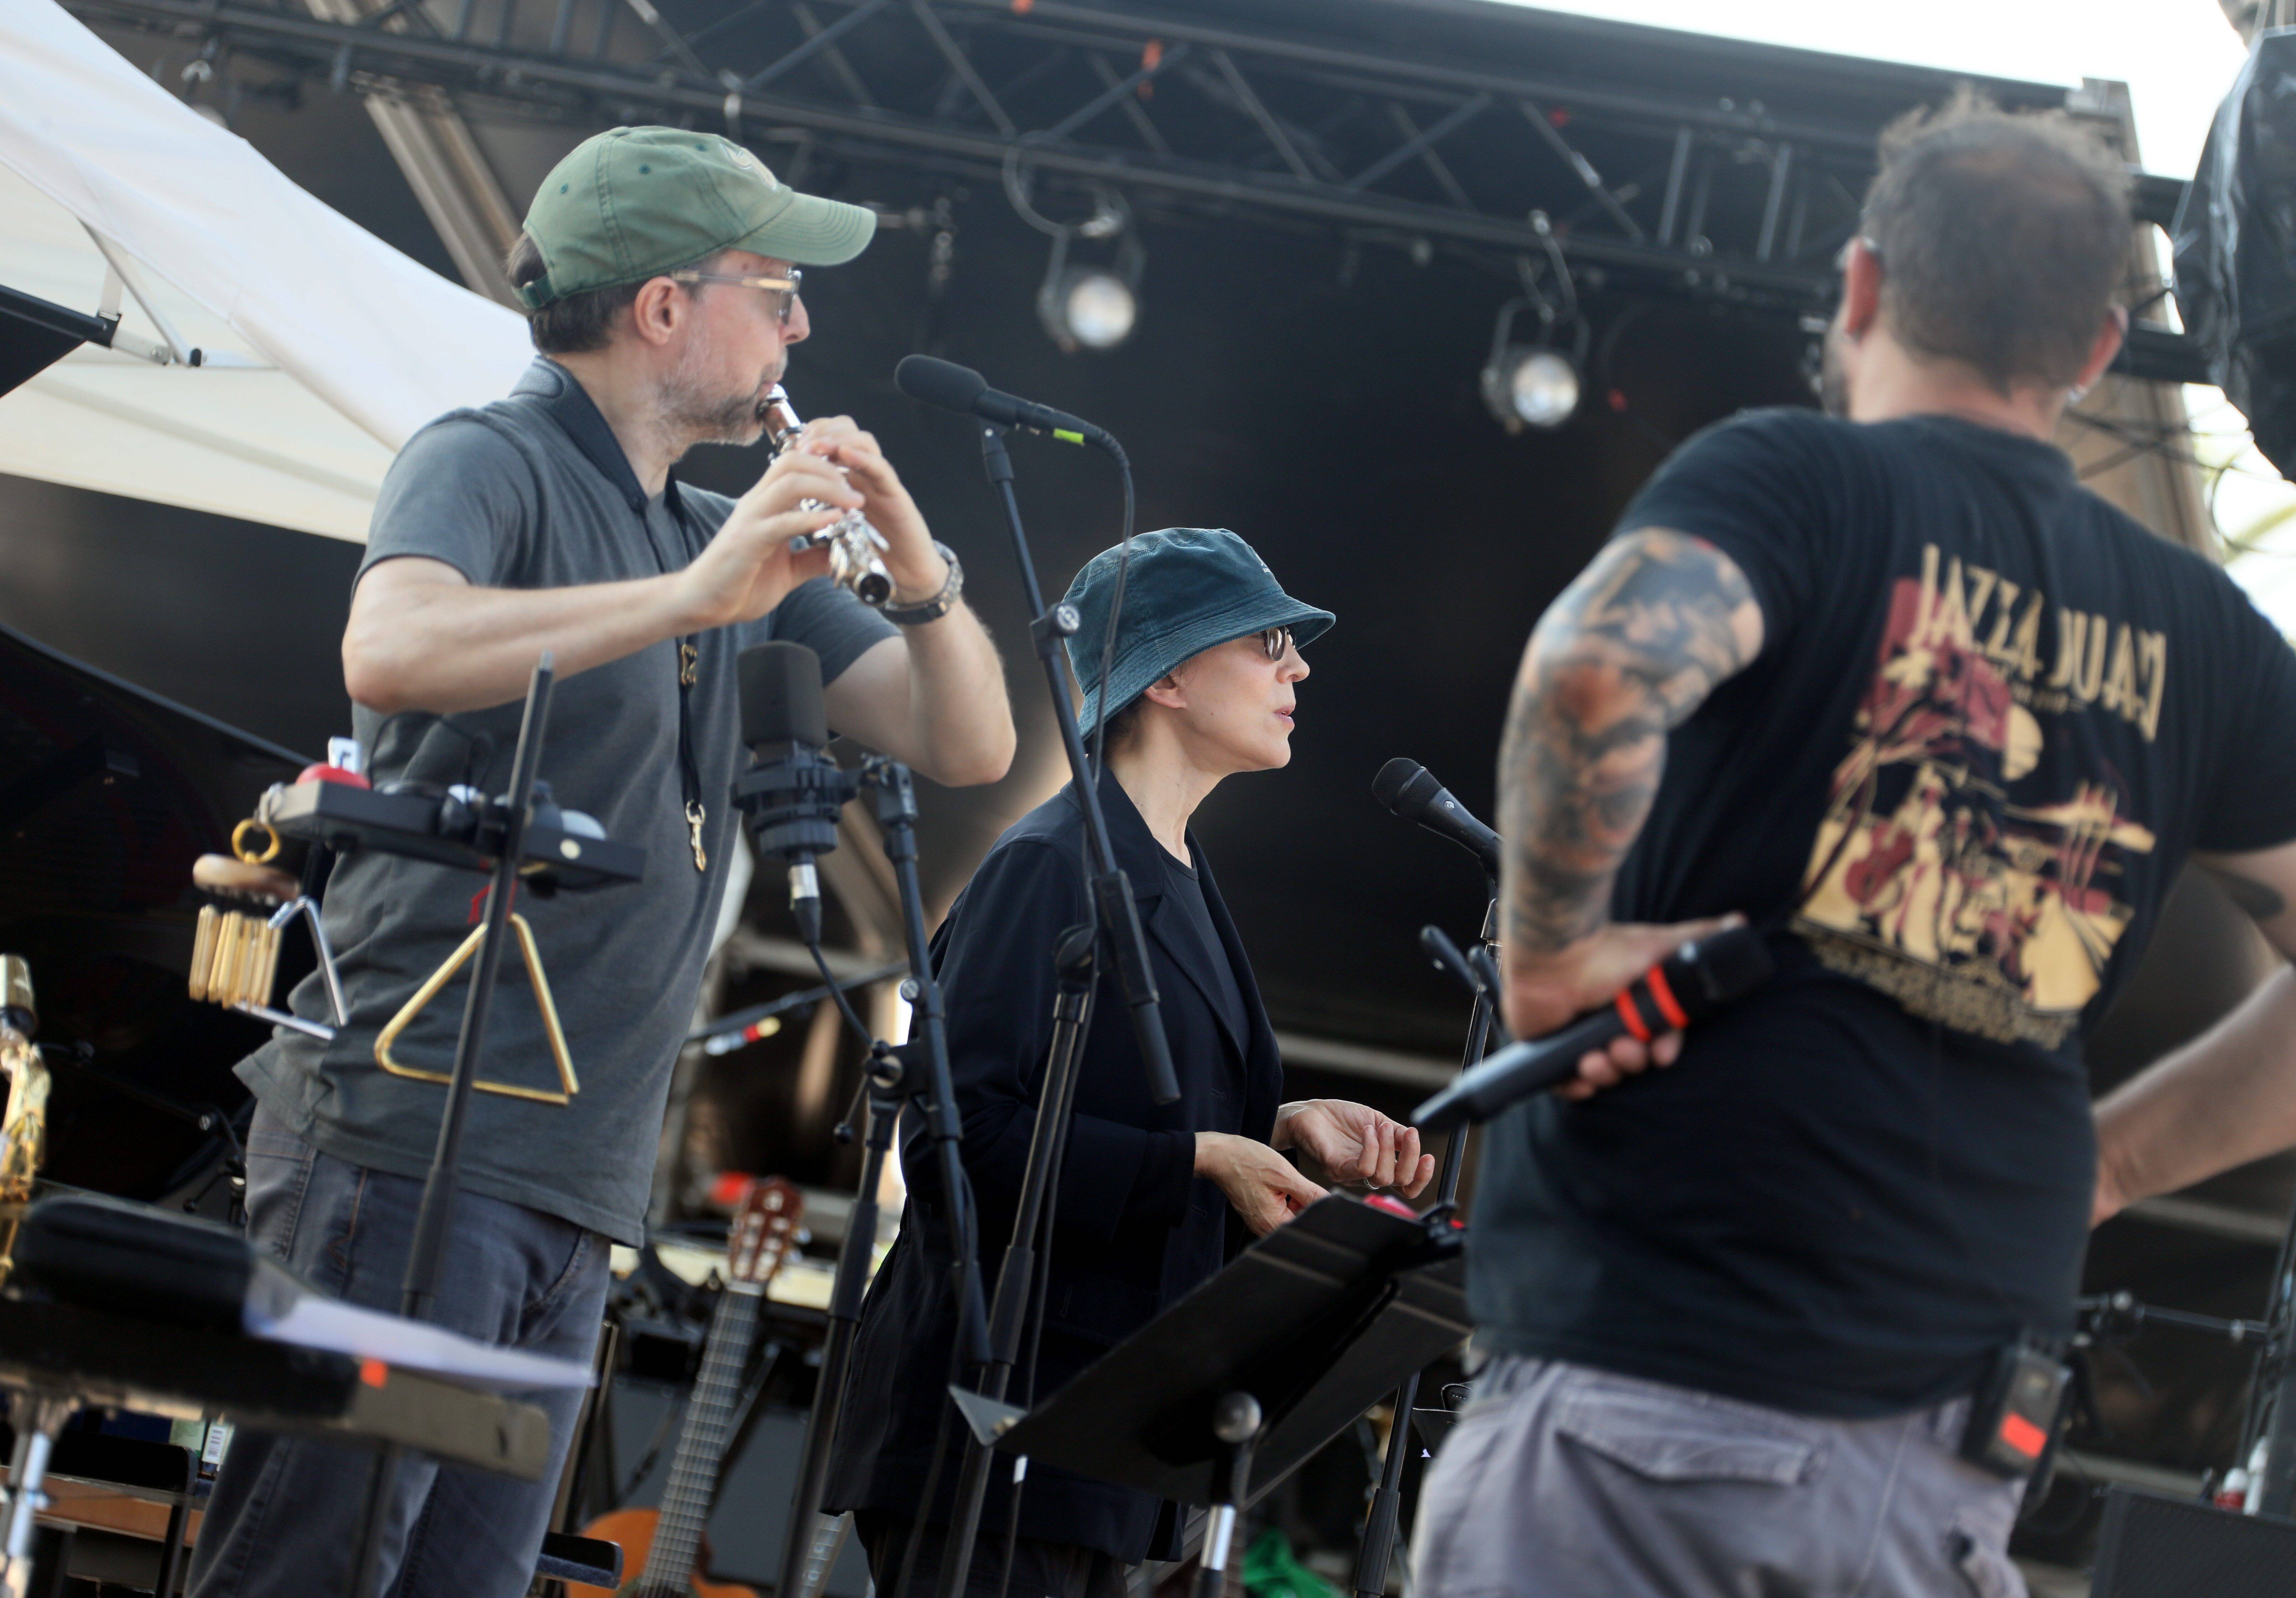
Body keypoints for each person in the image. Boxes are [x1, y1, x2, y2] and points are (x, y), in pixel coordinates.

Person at [1414, 95, 2296, 1598]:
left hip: (1651, 1405)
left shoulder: (1796, 481)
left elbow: (1598, 671)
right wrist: (2106, 1162)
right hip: (1940, 1459)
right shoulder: (2201, 629)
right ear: (2091, 353)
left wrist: (1550, 955)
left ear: (1865, 286)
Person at [192, 126, 1015, 1598]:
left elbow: (968, 746)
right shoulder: (488, 456)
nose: (803, 325)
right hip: (409, 1141)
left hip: (575, 1178)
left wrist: (922, 564)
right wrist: (693, 596)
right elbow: (389, 645)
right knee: (305, 1576)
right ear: (663, 308)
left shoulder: (715, 533)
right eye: (777, 289)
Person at [826, 528, 1436, 1597]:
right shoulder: (1046, 865)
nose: (1299, 668)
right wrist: (1203, 1159)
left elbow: (1110, 1103)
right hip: (992, 1427)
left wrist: (1274, 1128)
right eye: (1269, 642)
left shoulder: (1179, 876)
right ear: (1169, 676)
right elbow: (955, 1146)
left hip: (1094, 1446)